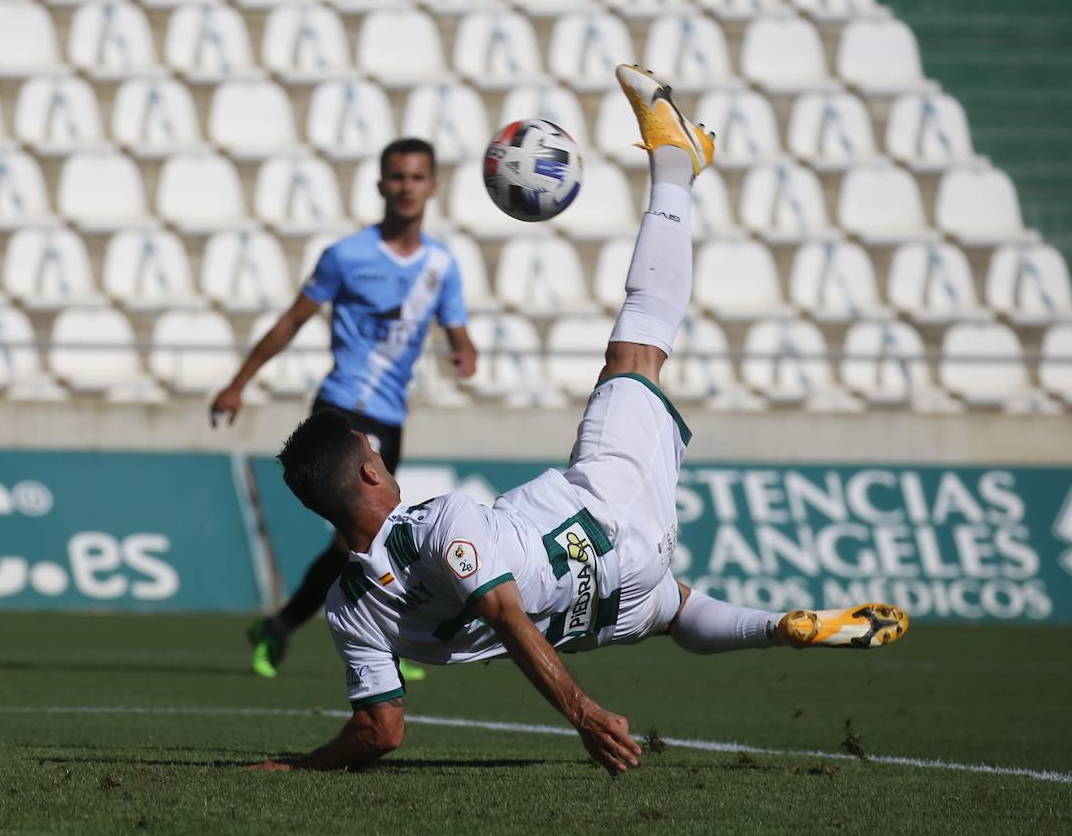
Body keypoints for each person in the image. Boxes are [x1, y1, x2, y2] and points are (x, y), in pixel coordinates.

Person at [252, 65, 910, 775]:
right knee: (635, 350)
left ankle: (776, 627)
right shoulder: (437, 523)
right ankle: (674, 164)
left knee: (675, 610)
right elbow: (502, 613)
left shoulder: (350, 611)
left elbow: (380, 732)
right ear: (373, 469)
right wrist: (584, 712)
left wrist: (298, 765)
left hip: (602, 611)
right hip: (605, 513)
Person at [211, 138, 478, 680]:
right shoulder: (347, 256)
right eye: (397, 177)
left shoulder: (441, 266)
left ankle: (282, 627)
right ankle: (389, 639)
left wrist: (465, 351)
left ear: (432, 186)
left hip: (391, 418)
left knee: (357, 542)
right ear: (381, 185)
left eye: (417, 177)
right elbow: (291, 322)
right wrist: (238, 382)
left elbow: (458, 332)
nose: (406, 187)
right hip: (343, 408)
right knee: (367, 535)